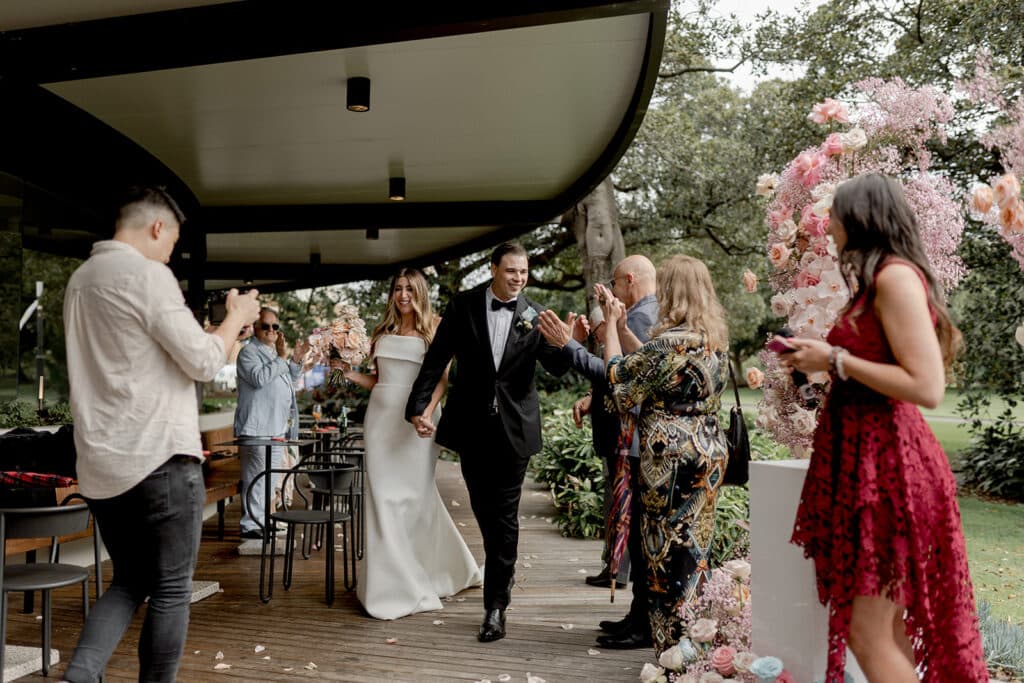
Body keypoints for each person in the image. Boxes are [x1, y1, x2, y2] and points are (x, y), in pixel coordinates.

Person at [777, 174, 986, 683]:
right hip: (867, 466)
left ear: (861, 217)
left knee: (867, 635)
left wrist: (837, 359)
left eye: (834, 214)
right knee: (887, 633)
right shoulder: (876, 282)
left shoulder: (895, 278)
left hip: (892, 471)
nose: (827, 224)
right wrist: (820, 361)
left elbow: (926, 385)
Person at [62, 186, 261, 682]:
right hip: (159, 460)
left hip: (102, 467)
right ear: (157, 227)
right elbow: (201, 361)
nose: (171, 253)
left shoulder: (80, 280)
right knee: (172, 589)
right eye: (173, 241)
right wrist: (236, 318)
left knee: (129, 581)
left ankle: (80, 676)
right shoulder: (148, 275)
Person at [405, 242, 570, 643]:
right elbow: (437, 358)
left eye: (524, 273)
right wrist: (417, 406)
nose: (518, 278)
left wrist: (565, 343)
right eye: (511, 271)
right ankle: (499, 572)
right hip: (473, 428)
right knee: (485, 511)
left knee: (505, 516)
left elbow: (556, 369)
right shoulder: (462, 306)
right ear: (494, 268)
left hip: (516, 428)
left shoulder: (535, 314)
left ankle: (496, 606)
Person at [597, 254, 730, 655]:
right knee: (695, 550)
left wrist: (609, 331)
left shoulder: (667, 344)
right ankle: (698, 639)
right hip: (707, 451)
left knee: (662, 554)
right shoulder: (712, 342)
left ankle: (671, 649)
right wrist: (625, 329)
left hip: (668, 460)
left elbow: (620, 383)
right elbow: (659, 370)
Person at [333, 267, 482, 619]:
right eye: (398, 289)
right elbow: (379, 380)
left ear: (420, 292)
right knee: (383, 499)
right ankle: (392, 585)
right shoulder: (380, 331)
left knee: (416, 497)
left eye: (409, 289)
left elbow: (441, 381)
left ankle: (437, 570)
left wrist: (426, 413)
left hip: (419, 422)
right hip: (380, 422)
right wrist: (347, 371)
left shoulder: (436, 326)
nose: (403, 295)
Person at [535, 254, 660, 650]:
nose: (613, 289)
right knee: (634, 529)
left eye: (615, 282)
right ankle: (636, 616)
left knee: (638, 531)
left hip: (635, 440)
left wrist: (568, 346)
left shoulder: (640, 319)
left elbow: (618, 372)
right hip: (628, 438)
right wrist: (593, 396)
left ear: (628, 280)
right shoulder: (639, 313)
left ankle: (642, 621)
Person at [234, 307, 308, 540]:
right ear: (255, 328)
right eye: (265, 326)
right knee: (256, 477)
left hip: (275, 428)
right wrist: (282, 357)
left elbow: (291, 379)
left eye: (275, 326)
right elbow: (259, 378)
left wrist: (294, 358)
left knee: (269, 478)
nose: (271, 330)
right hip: (257, 428)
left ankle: (263, 519)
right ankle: (249, 524)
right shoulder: (248, 353)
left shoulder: (273, 354)